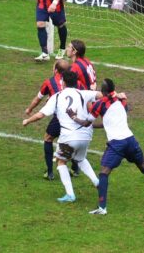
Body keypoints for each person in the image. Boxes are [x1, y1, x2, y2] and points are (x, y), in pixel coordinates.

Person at [67, 78, 144, 215]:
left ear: (102, 91)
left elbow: (85, 123)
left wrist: (73, 117)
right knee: (143, 167)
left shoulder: (99, 104)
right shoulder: (122, 100)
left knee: (104, 172)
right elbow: (109, 122)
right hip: (131, 140)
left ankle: (102, 208)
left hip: (117, 144)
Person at [22, 70, 99, 203]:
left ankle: (70, 195)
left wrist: (27, 121)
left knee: (61, 162)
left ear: (63, 82)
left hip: (69, 136)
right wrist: (115, 95)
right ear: (76, 83)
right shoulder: (84, 93)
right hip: (86, 135)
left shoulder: (57, 97)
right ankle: (97, 182)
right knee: (80, 159)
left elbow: (41, 114)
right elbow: (100, 95)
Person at [24, 59, 77, 181]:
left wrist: (29, 110)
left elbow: (38, 99)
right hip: (75, 115)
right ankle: (75, 168)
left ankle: (50, 172)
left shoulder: (49, 82)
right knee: (71, 138)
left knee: (48, 138)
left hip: (60, 117)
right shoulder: (73, 81)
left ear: (56, 70)